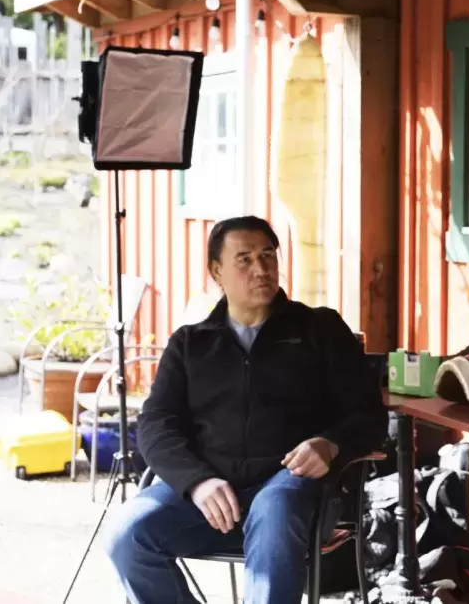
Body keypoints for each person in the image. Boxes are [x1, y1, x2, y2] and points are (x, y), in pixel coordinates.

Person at [103, 216, 387, 604]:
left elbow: (370, 415)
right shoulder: (190, 343)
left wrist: (331, 443)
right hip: (209, 496)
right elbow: (155, 424)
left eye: (268, 255)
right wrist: (197, 481)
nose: (261, 269)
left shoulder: (319, 328)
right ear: (217, 271)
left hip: (291, 490)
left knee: (276, 508)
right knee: (126, 533)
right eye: (245, 259)